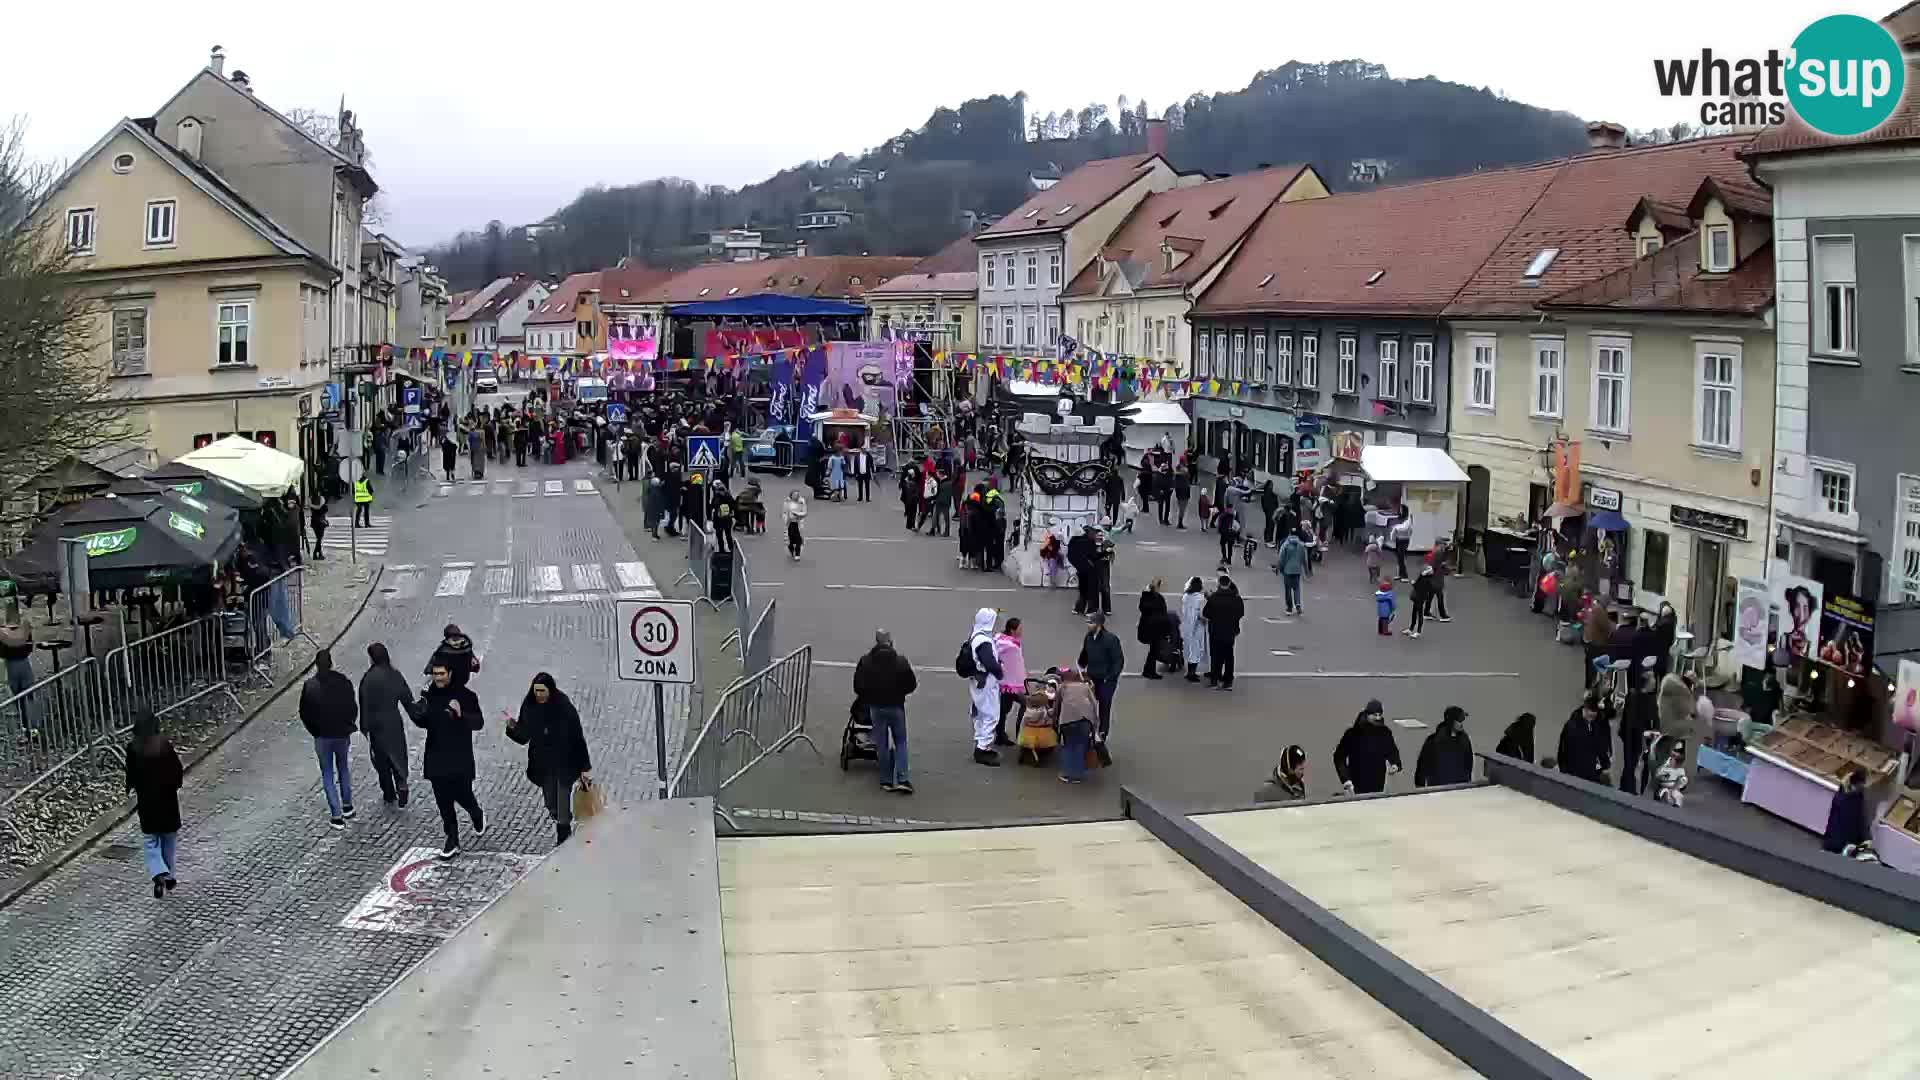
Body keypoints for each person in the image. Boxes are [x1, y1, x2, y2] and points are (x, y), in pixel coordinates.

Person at [506, 673, 594, 845]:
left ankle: (563, 835)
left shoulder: (563, 706)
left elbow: (577, 737)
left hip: (565, 763)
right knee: (550, 803)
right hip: (543, 765)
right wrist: (512, 728)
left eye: (542, 690)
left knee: (562, 802)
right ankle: (563, 821)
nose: (539, 694)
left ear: (550, 690)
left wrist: (584, 767)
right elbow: (524, 737)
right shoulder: (530, 706)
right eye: (536, 690)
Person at [417, 660, 485, 859]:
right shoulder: (429, 696)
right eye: (435, 674)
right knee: (443, 801)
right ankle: (452, 838)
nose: (438, 678)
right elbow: (425, 722)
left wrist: (460, 714)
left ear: (450, 673)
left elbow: (478, 722)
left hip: (459, 756)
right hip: (436, 756)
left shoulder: (466, 696)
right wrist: (418, 713)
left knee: (463, 794)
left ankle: (475, 812)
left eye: (441, 673)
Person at [124, 709, 184, 898]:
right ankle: (170, 875)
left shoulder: (133, 748)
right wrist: (174, 786)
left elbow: (131, 774)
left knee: (151, 842)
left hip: (147, 803)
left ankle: (158, 873)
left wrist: (131, 787)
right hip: (167, 802)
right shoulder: (164, 746)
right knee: (169, 840)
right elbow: (177, 771)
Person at [298, 649, 359, 828]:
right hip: (341, 734)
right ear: (331, 663)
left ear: (316, 665)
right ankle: (348, 806)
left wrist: (314, 731)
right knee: (343, 769)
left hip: (322, 736)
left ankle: (336, 814)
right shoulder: (343, 682)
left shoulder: (310, 686)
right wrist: (348, 725)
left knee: (327, 774)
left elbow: (304, 713)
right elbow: (352, 707)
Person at [853, 630, 918, 794]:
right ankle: (903, 778)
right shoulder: (901, 662)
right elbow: (911, 685)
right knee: (901, 741)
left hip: (876, 708)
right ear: (890, 641)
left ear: (876, 642)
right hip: (896, 706)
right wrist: (900, 693)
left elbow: (858, 687)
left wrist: (869, 695)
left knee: (881, 744)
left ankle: (886, 780)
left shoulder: (866, 661)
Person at [964, 607, 1005, 766]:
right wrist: (1000, 671)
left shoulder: (976, 635)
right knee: (991, 714)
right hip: (986, 682)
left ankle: (981, 743)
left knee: (980, 713)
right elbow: (990, 663)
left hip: (978, 680)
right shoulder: (984, 642)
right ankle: (983, 748)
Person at [1078, 609, 1125, 746]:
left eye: (1090, 622)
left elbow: (1118, 661)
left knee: (1104, 706)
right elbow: (1084, 654)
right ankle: (1090, 730)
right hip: (1092, 678)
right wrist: (1081, 666)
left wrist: (1110, 677)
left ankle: (1103, 733)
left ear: (1098, 624)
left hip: (1106, 681)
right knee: (1089, 705)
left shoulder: (1111, 639)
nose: (1088, 624)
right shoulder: (1089, 637)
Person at [1333, 701, 1402, 794]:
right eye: (1374, 715)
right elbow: (1339, 757)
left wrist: (1395, 764)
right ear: (1367, 714)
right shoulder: (1353, 734)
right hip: (1356, 783)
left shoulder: (1385, 733)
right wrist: (1346, 780)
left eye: (1379, 715)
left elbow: (1392, 751)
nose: (1377, 718)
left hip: (1378, 783)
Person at [1052, 667, 1100, 784]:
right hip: (1085, 721)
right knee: (1080, 746)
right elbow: (1094, 704)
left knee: (1068, 747)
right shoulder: (1085, 687)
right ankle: (1078, 774)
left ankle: (1067, 774)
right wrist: (1095, 723)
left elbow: (1056, 705)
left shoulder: (1062, 687)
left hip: (1068, 721)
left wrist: (1054, 718)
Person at [1557, 693, 1613, 785]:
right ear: (1586, 709)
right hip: (1575, 772)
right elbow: (1564, 750)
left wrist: (1605, 763)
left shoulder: (1592, 725)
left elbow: (1599, 746)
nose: (1594, 715)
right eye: (1592, 712)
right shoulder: (1572, 726)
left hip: (1586, 772)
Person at [1202, 574, 1244, 690]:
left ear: (1219, 584)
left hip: (1215, 631)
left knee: (1216, 656)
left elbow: (1206, 614)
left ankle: (1215, 679)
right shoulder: (1236, 599)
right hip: (1230, 631)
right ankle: (1228, 681)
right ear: (1229, 584)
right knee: (1229, 656)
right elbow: (1240, 613)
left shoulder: (1214, 598)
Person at [1415, 705, 1474, 787]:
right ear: (1451, 721)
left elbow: (1469, 762)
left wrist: (1468, 781)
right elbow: (1423, 764)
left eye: (1462, 720)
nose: (1461, 724)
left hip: (1460, 787)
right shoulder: (1434, 740)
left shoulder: (1464, 739)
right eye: (1459, 720)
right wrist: (1420, 785)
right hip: (1439, 787)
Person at [993, 617, 1028, 747]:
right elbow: (1016, 665)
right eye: (1020, 628)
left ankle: (1000, 734)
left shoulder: (1000, 641)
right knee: (1026, 704)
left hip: (1004, 682)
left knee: (1004, 709)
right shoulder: (1012, 646)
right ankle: (1019, 733)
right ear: (1013, 630)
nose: (1022, 630)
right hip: (1013, 684)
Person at [1823, 768, 1870, 854]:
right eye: (1861, 784)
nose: (1862, 787)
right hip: (1838, 844)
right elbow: (1859, 820)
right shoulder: (1849, 797)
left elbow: (1860, 819)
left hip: (1838, 843)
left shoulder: (1846, 795)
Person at [425, 624, 481, 689]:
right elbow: (475, 664)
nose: (456, 640)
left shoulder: (444, 649)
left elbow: (434, 659)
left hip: (450, 682)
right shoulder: (466, 647)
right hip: (460, 680)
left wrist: (428, 670)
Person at [1136, 579, 1171, 680]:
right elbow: (1163, 615)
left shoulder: (1145, 598)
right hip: (1156, 629)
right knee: (1154, 651)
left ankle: (1148, 670)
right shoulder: (1158, 598)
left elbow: (1142, 608)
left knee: (1152, 651)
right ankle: (1149, 671)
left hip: (1147, 628)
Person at [1180, 576, 1209, 682]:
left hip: (1187, 625)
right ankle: (1191, 673)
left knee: (1189, 648)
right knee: (1196, 650)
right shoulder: (1200, 598)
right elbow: (1202, 614)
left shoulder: (1186, 596)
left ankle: (1190, 672)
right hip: (1197, 627)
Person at [1275, 530, 1307, 615]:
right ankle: (1298, 605)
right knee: (1297, 588)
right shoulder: (1301, 545)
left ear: (1289, 534)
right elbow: (1304, 559)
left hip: (1287, 570)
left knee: (1288, 589)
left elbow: (1281, 558)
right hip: (1297, 570)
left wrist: (1279, 568)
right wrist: (1306, 571)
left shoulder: (1285, 544)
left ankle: (1289, 608)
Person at [1406, 565, 1436, 639]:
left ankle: (1417, 631)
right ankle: (1411, 629)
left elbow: (1416, 585)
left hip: (1419, 597)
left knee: (1418, 614)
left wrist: (1413, 583)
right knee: (1416, 613)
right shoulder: (1429, 579)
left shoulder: (1424, 579)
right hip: (1421, 597)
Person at [709, 481, 736, 555]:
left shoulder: (716, 497)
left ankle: (721, 550)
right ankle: (731, 549)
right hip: (727, 519)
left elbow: (713, 506)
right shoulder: (728, 496)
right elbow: (734, 505)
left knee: (720, 535)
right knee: (728, 535)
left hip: (718, 519)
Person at [783, 489, 807, 560]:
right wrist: (786, 519)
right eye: (794, 495)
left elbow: (805, 512)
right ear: (791, 495)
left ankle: (797, 554)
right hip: (790, 523)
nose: (796, 496)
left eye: (797, 495)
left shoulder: (801, 502)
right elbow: (784, 513)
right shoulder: (787, 503)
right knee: (791, 539)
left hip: (798, 523)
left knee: (798, 540)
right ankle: (791, 548)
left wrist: (798, 514)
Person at [309, 495, 329, 561]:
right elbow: (325, 511)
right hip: (320, 523)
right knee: (319, 539)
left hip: (314, 523)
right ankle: (316, 553)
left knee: (318, 539)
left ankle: (319, 554)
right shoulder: (323, 506)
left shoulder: (312, 505)